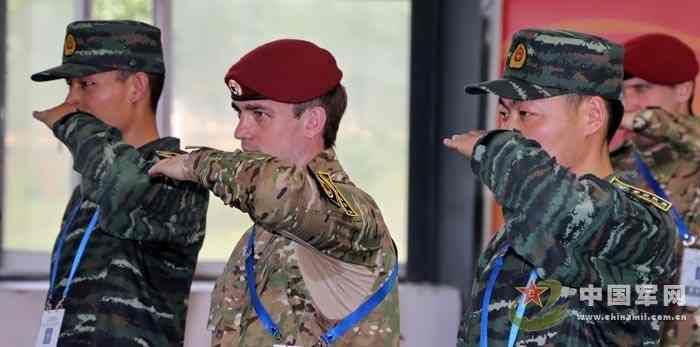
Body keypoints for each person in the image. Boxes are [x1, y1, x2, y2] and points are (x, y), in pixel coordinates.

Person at [148, 39, 400, 347]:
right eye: (238, 114)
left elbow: (274, 190)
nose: (240, 131)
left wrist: (193, 164)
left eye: (259, 114)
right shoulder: (263, 234)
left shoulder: (349, 214)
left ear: (312, 122)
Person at [446, 29, 679, 346]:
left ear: (593, 116)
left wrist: (495, 150)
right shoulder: (517, 224)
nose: (509, 129)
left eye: (526, 113)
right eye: (503, 112)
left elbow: (569, 211)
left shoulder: (643, 223)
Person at [31, 20, 209, 346]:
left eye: (86, 84)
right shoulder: (87, 190)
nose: (71, 99)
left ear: (137, 87)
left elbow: (124, 182)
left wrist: (67, 123)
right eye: (69, 85)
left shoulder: (178, 180)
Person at [610, 32, 700, 346]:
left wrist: (649, 121)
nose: (629, 102)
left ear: (684, 90)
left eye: (642, 89)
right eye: (622, 91)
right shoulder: (613, 170)